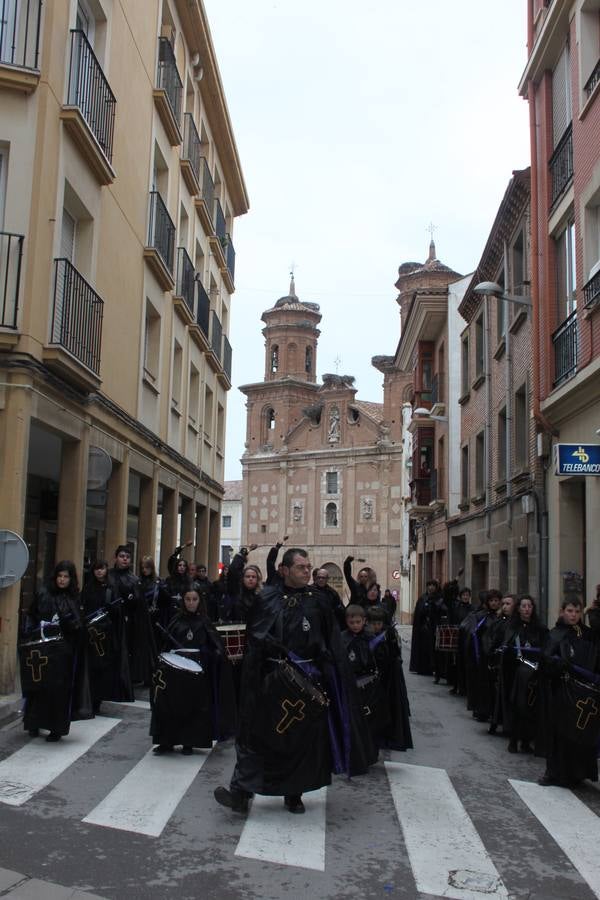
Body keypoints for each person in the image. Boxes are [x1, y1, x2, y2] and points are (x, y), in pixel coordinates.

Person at [214, 547, 377, 815]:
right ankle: (240, 794)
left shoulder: (318, 600)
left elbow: (330, 639)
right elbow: (255, 636)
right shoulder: (267, 598)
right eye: (301, 567)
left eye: (308, 567)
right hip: (270, 682)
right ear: (284, 570)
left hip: (306, 682)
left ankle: (294, 794)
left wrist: (328, 669)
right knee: (255, 737)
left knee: (299, 741)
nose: (306, 571)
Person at [151, 590, 237, 755]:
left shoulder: (205, 622)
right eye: (188, 599)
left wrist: (206, 653)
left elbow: (216, 648)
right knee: (170, 706)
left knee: (192, 708)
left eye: (194, 599)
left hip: (196, 672)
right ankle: (166, 741)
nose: (191, 603)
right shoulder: (176, 620)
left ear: (200, 601)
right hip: (174, 671)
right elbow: (165, 646)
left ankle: (188, 742)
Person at [22, 561, 92, 741]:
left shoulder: (73, 597)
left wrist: (72, 625)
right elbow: (32, 614)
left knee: (59, 691)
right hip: (42, 648)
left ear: (71, 578)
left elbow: (79, 624)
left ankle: (56, 728)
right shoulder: (44, 593)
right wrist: (31, 634)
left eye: (66, 577)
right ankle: (33, 722)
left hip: (62, 652)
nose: (62, 580)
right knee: (38, 688)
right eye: (60, 576)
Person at [538, 598, 600, 787]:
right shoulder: (556, 634)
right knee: (560, 733)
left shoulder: (589, 635)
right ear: (562, 611)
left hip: (584, 692)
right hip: (562, 691)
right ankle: (555, 773)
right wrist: (559, 664)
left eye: (577, 612)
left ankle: (578, 773)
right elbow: (546, 660)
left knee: (580, 734)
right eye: (570, 611)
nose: (573, 615)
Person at [497, 595, 548, 754]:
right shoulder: (512, 627)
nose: (527, 609)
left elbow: (545, 648)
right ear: (518, 608)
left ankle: (526, 740)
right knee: (518, 707)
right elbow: (507, 649)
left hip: (534, 672)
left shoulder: (539, 628)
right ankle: (514, 740)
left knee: (531, 708)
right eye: (524, 606)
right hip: (516, 673)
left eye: (529, 606)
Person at [81, 559, 133, 710]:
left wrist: (112, 610)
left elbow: (118, 612)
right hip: (90, 633)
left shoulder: (111, 588)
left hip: (105, 634)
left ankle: (98, 699)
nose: (99, 572)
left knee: (102, 668)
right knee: (90, 666)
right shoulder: (88, 587)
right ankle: (89, 697)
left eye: (102, 569)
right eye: (96, 569)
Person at [108, 546, 156, 686]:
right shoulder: (108, 575)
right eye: (122, 556)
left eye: (127, 557)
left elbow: (139, 606)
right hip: (109, 620)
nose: (124, 559)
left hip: (127, 622)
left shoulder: (134, 580)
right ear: (116, 557)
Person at [366, 606, 413, 752]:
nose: (376, 626)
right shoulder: (365, 635)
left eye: (379, 623)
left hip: (388, 676)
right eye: (373, 623)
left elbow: (395, 654)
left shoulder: (389, 634)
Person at [464, 589, 502, 722]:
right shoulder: (481, 616)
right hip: (483, 656)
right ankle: (482, 711)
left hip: (496, 656)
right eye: (491, 601)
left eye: (496, 601)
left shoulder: (501, 618)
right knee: (483, 685)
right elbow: (474, 635)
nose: (494, 603)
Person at [409, 579, 443, 676]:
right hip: (424, 628)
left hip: (434, 628)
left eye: (433, 585)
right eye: (430, 585)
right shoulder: (422, 598)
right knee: (424, 649)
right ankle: (423, 668)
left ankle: (435, 668)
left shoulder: (439, 598)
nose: (431, 587)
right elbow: (419, 613)